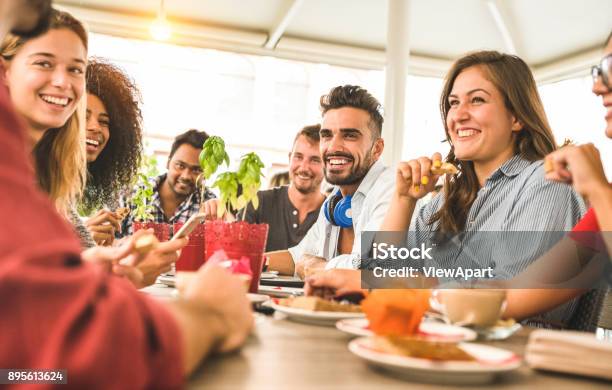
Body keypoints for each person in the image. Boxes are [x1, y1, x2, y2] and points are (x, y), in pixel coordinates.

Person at [0, 5, 252, 387]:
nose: (322, 155)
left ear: (379, 144)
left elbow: (364, 271)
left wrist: (337, 273)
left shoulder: (366, 196)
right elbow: (69, 364)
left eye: (346, 136)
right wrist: (209, 313)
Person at [307, 51, 588, 327]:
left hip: (511, 355)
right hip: (432, 345)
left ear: (517, 117)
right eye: (453, 103)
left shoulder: (546, 182)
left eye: (477, 100)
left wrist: (386, 286)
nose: (459, 115)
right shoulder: (443, 201)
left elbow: (507, 296)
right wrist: (403, 200)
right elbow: (376, 274)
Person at [266, 85, 395, 278]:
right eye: (326, 135)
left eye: (350, 135)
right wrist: (240, 261)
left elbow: (372, 269)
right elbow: (298, 259)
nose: (333, 146)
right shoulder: (335, 201)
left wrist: (321, 268)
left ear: (377, 149)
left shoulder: (393, 189)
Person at [204, 124, 325, 252]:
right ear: (290, 158)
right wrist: (218, 216)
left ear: (327, 165)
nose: (304, 167)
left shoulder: (331, 213)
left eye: (315, 160)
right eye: (298, 157)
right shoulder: (259, 202)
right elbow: (235, 250)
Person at [81, 57, 144, 246]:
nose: (96, 127)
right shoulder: (35, 176)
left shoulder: (74, 187)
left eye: (104, 122)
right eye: (84, 116)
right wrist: (82, 240)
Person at [120, 129, 216, 237]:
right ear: (168, 162)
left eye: (196, 170)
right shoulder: (132, 195)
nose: (186, 176)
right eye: (180, 165)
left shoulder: (210, 204)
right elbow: (107, 242)